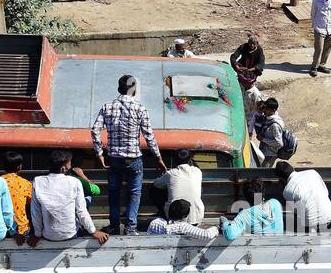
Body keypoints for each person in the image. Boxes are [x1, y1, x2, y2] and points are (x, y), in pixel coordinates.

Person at [91, 74, 166, 235]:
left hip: (113, 158)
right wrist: (158, 158)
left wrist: (99, 153)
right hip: (134, 159)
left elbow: (95, 130)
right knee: (134, 192)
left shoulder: (107, 107)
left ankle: (114, 225)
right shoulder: (140, 108)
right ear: (134, 90)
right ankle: (131, 228)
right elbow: (149, 136)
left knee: (114, 192)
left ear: (119, 88)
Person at [28, 149, 109, 245]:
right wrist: (93, 231)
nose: (70, 166)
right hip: (70, 234)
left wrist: (37, 234)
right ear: (63, 168)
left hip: (48, 235)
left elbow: (35, 213)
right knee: (87, 199)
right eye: (69, 164)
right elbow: (81, 211)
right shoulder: (74, 182)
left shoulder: (37, 182)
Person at [276, 161, 331, 232]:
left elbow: (297, 212)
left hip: (311, 227)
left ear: (281, 179)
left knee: (284, 217)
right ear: (292, 168)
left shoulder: (287, 191)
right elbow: (326, 193)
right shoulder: (312, 172)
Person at [153, 148, 205, 224]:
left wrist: (164, 175)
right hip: (196, 218)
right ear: (190, 160)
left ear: (174, 161)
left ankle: (162, 213)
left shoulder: (171, 173)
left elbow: (156, 184)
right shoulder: (198, 171)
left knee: (154, 189)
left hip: (175, 219)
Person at [148, 198, 219, 241]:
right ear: (184, 216)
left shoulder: (155, 222)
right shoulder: (182, 227)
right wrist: (216, 228)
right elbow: (207, 235)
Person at [2, 152, 34, 243]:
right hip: (21, 230)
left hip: (2, 229)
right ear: (19, 167)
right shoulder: (26, 183)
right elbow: (32, 206)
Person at [309, 0, 331, 76]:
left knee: (327, 48)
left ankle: (322, 65)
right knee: (319, 48)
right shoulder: (316, 1)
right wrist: (314, 25)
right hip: (319, 28)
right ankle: (314, 67)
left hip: (330, 28)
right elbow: (313, 13)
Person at [254, 98, 289, 163]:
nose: (264, 110)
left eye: (267, 109)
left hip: (270, 155)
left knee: (263, 172)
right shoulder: (268, 118)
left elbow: (279, 143)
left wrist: (263, 139)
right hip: (265, 152)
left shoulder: (275, 125)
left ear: (273, 110)